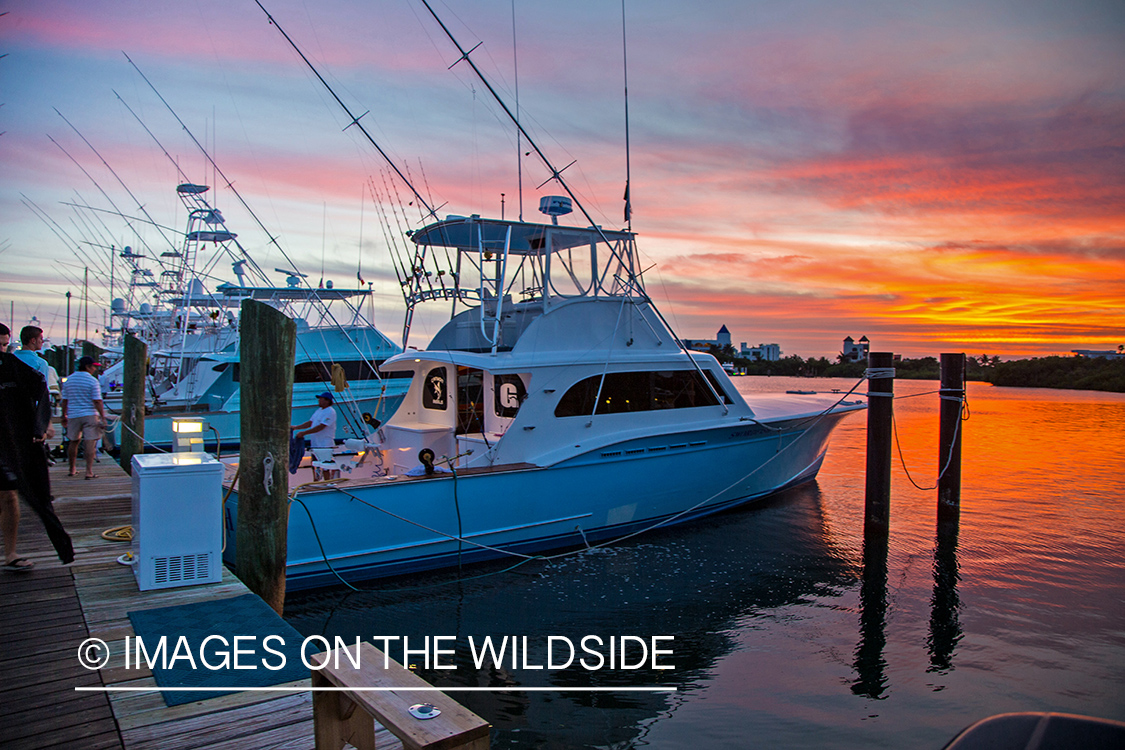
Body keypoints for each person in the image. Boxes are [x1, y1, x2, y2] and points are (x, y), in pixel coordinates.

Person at [0, 351, 74, 571]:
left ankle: (10, 554)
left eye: (4, 345)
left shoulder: (14, 368)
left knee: (10, 496)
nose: (2, 350)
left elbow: (40, 392)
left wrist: (41, 424)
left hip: (10, 442)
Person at [61, 356, 107, 480]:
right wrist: (103, 416)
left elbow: (64, 400)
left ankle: (72, 469)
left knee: (73, 441)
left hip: (73, 414)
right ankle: (89, 471)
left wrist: (63, 415)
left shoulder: (69, 380)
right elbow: (97, 401)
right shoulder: (93, 381)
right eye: (93, 367)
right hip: (90, 414)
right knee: (90, 442)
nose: (95, 369)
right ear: (87, 367)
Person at [291, 391, 338, 479]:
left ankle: (327, 482)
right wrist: (296, 427)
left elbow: (321, 427)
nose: (319, 400)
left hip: (325, 444)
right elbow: (311, 422)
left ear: (327, 401)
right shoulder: (319, 411)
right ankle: (316, 481)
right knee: (315, 464)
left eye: (321, 399)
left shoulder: (330, 412)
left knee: (325, 465)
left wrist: (304, 433)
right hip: (316, 443)